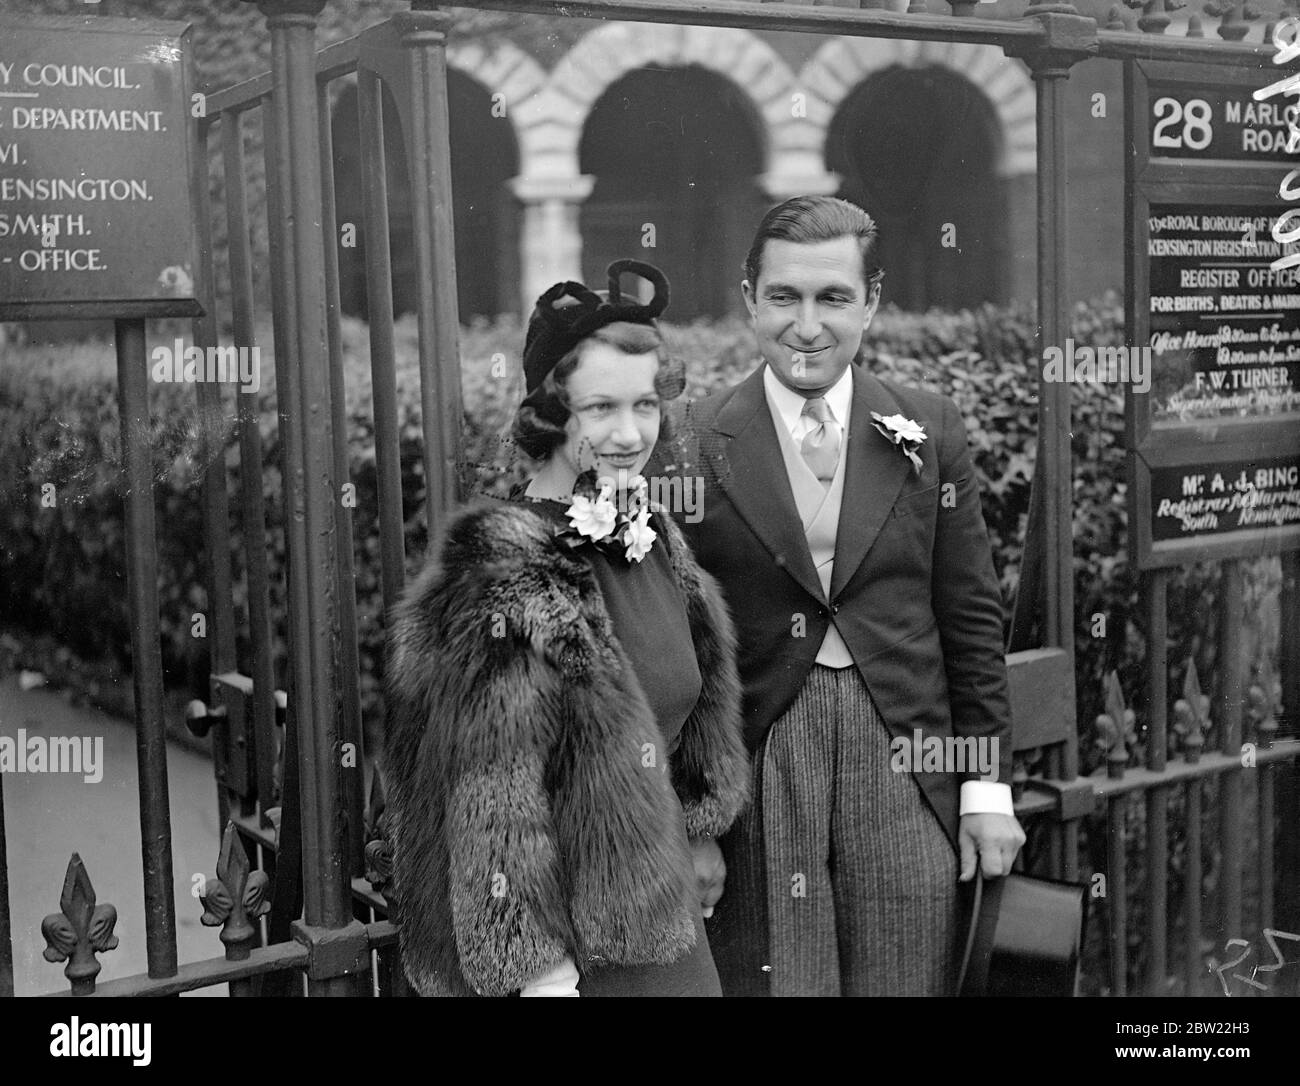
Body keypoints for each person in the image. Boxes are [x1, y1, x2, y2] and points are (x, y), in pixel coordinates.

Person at [672, 196, 1026, 996]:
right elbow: (676, 649)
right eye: (784, 297)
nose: (807, 325)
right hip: (763, 761)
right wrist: (690, 824)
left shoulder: (927, 426)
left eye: (833, 297)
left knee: (907, 969)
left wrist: (987, 790)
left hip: (905, 753)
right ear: (749, 299)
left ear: (870, 301)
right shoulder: (692, 437)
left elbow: (969, 617)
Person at [383, 259, 749, 997]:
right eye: (600, 409)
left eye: (645, 406)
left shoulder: (653, 541)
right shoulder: (504, 570)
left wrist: (703, 825)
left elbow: (690, 705)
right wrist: (542, 976)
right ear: (551, 414)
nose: (629, 433)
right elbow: (492, 799)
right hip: (573, 964)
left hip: (667, 929)